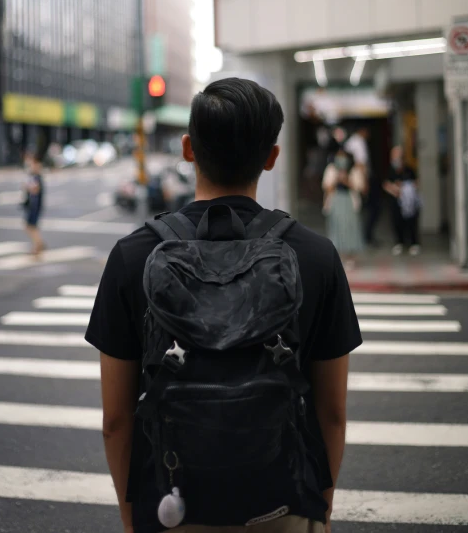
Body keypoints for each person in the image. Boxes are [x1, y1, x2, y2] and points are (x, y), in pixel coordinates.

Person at [86, 77, 362, 533]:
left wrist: (131, 517)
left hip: (170, 509)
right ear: (272, 158)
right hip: (283, 507)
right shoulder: (315, 257)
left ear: (188, 149)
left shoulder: (132, 256)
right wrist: (319, 511)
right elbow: (330, 413)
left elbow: (116, 420)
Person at [322, 150, 365, 270]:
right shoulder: (331, 169)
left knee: (351, 227)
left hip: (350, 202)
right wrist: (336, 179)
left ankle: (350, 257)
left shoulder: (354, 170)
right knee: (336, 227)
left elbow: (360, 187)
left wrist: (346, 180)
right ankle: (338, 256)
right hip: (336, 201)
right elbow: (326, 187)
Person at [383, 145, 421, 256]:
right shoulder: (390, 169)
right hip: (396, 200)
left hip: (409, 201)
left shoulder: (409, 169)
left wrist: (406, 187)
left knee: (411, 221)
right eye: (394, 155)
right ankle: (399, 242)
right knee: (396, 221)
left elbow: (416, 182)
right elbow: (386, 184)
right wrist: (395, 190)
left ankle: (414, 243)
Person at [22, 152, 45, 256]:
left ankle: (38, 246)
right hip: (34, 205)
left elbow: (35, 190)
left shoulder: (36, 176)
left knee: (31, 226)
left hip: (34, 205)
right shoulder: (34, 175)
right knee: (31, 226)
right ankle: (39, 244)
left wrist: (27, 187)